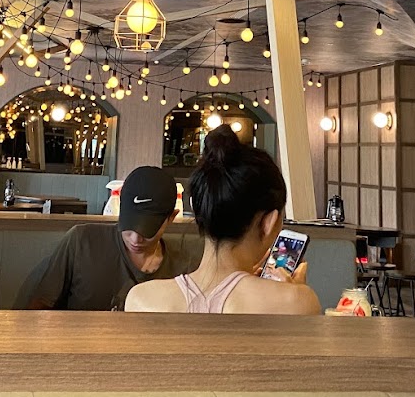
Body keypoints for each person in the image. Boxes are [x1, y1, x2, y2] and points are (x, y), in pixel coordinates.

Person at [125, 125, 321, 315]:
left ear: (197, 211)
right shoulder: (296, 302)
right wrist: (290, 293)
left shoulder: (140, 300)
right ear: (269, 222)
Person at [27, 165, 188, 310]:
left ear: (171, 217)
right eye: (130, 224)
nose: (135, 239)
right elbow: (39, 308)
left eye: (148, 230)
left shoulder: (184, 268)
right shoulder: (82, 242)